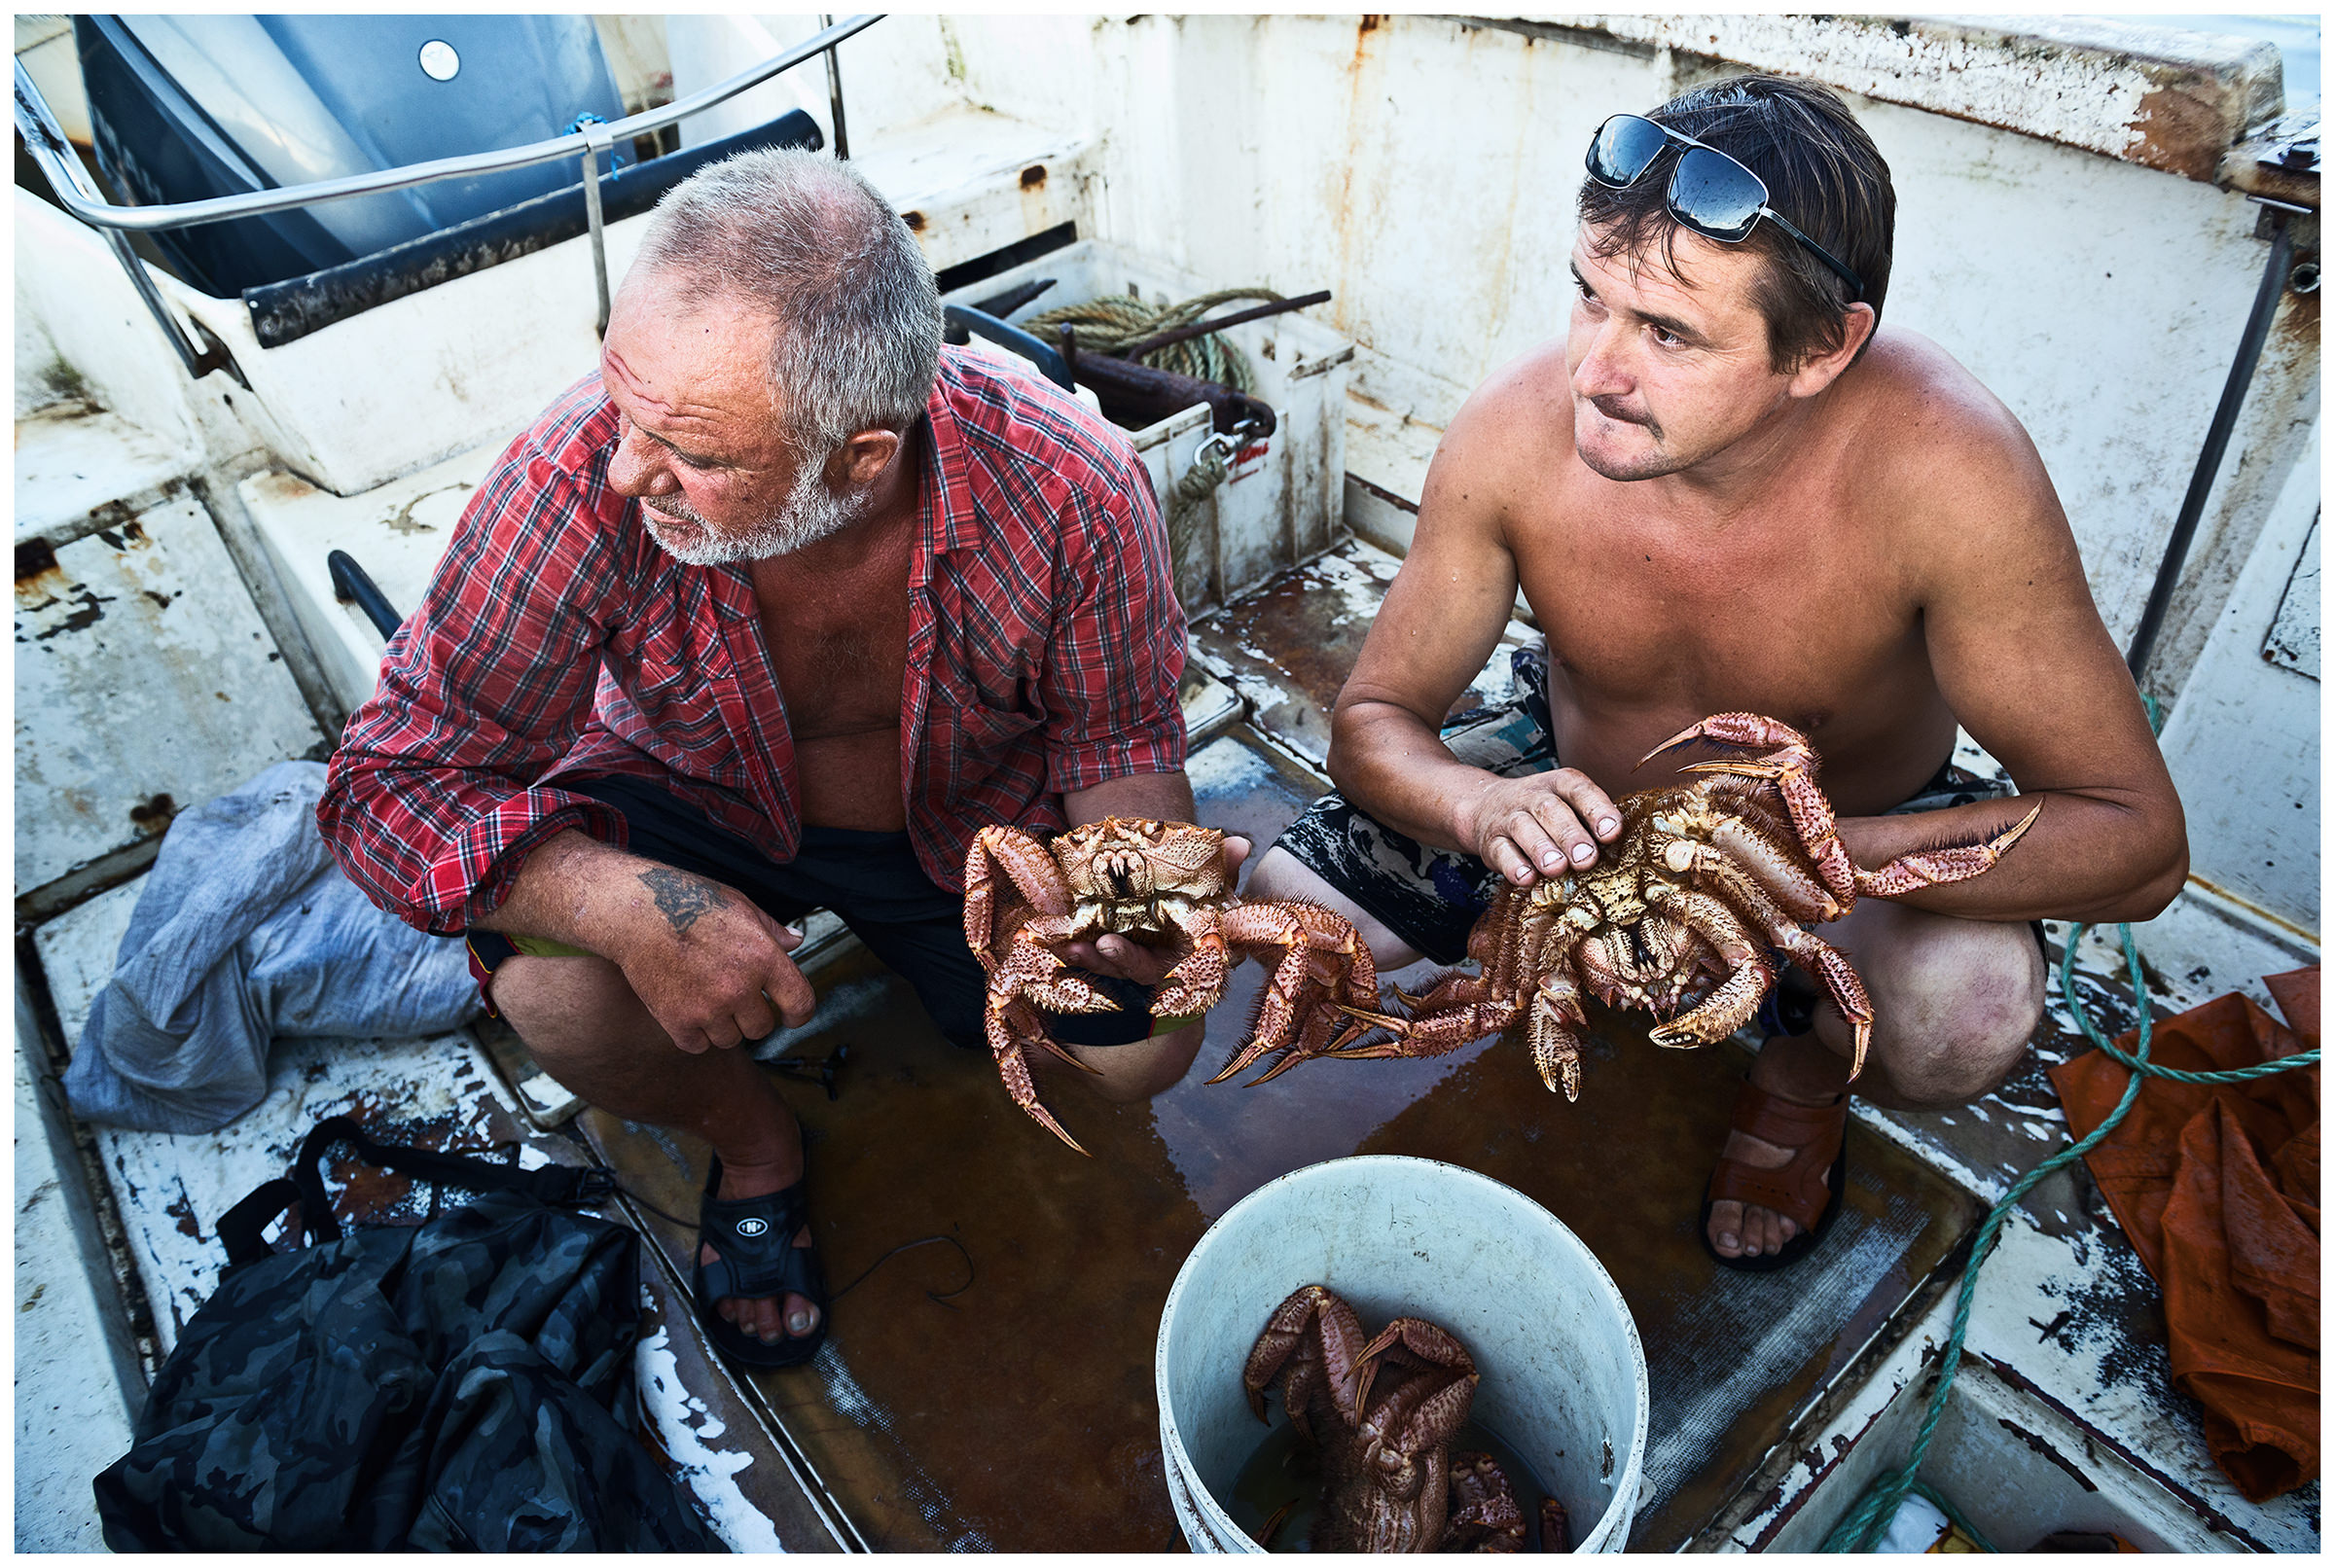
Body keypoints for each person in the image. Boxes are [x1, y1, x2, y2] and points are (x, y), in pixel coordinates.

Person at [1245, 74, 2187, 1270]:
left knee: (1968, 1016)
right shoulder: (1516, 426)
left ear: (1822, 350)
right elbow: (1375, 720)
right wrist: (1490, 813)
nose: (1594, 370)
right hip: (1579, 797)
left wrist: (1797, 865)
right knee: (1286, 923)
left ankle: (1797, 1081)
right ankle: (1559, 952)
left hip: (1850, 834)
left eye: (1669, 333)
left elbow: (2139, 842)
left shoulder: (1953, 476)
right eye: (1588, 297)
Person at [319, 148, 1229, 1367]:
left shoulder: (1077, 486)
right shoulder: (582, 469)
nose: (625, 468)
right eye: (621, 405)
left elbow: (1118, 739)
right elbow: (385, 784)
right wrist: (617, 901)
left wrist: (1135, 901)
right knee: (548, 978)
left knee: (1149, 1038)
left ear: (859, 454)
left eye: (694, 454)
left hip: (969, 831)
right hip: (685, 803)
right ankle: (754, 1145)